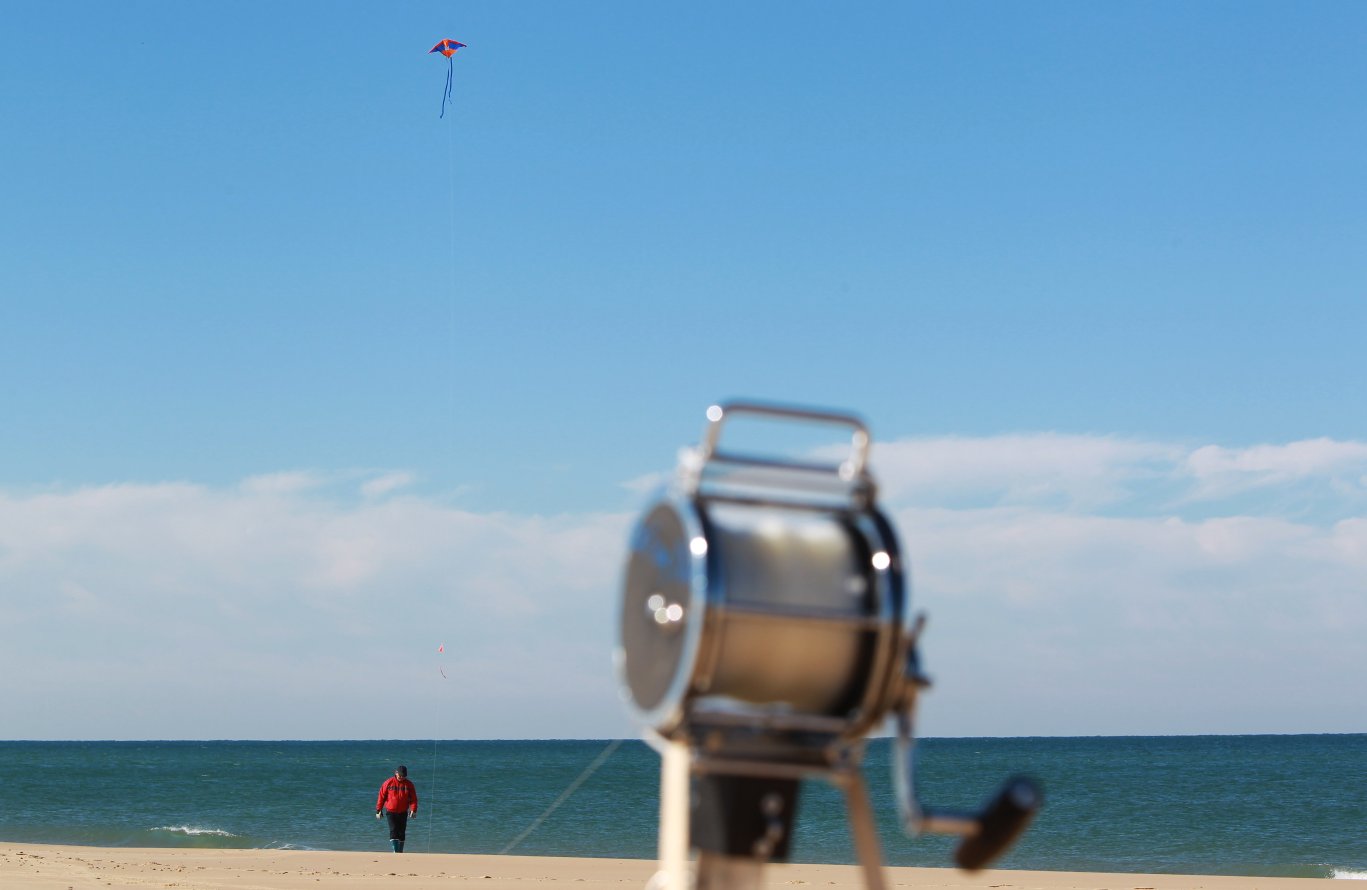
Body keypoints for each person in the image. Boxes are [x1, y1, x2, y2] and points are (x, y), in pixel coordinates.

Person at [375, 765, 419, 852]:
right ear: (396, 773)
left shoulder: (409, 784)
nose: (401, 777)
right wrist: (378, 810)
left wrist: (413, 810)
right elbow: (381, 797)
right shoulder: (388, 782)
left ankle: (400, 851)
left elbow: (413, 799)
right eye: (400, 775)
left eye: (403, 776)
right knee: (393, 830)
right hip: (391, 812)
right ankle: (395, 851)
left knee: (401, 832)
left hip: (403, 812)